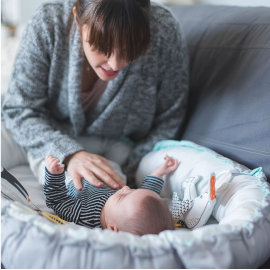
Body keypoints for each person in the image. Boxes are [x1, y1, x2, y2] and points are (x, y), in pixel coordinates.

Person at [2, 0, 189, 190]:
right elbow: (19, 109)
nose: (115, 64)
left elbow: (169, 118)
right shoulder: (49, 23)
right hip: (47, 135)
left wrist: (131, 175)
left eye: (130, 49)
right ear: (77, 18)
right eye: (103, 47)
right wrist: (69, 153)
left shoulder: (164, 31)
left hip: (120, 148)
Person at [44, 154, 179, 235]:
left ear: (112, 229)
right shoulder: (122, 209)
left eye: (122, 197)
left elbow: (56, 200)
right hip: (103, 174)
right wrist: (158, 174)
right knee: (117, 162)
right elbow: (147, 194)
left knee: (44, 163)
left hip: (69, 179)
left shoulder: (82, 215)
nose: (126, 188)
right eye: (132, 190)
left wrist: (54, 175)